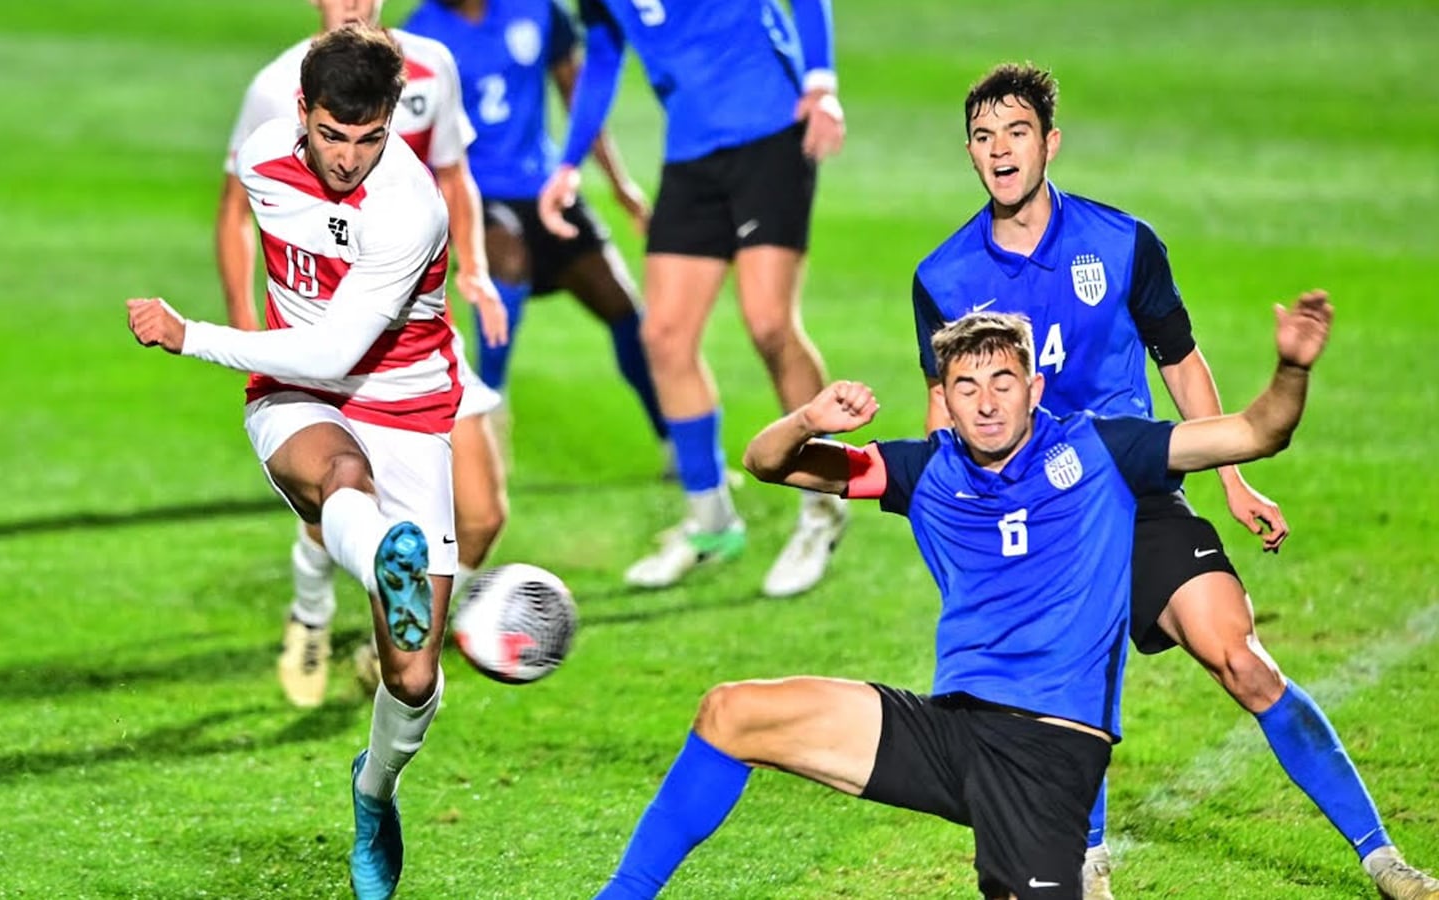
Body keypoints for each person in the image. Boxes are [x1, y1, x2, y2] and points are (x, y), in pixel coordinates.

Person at [595, 296, 1334, 899]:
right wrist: (809, 421)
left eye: (1002, 383)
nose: (985, 404)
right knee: (734, 712)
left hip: (1047, 755)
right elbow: (766, 463)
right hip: (947, 733)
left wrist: (1291, 368)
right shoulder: (925, 470)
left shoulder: (1104, 449)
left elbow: (1255, 431)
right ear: (943, 398)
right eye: (966, 388)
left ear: (1033, 387)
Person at [911, 63, 1438, 900]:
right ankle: (1084, 860)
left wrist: (1231, 481)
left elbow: (1180, 361)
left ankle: (1383, 859)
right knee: (1067, 685)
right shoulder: (942, 277)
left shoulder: (1121, 242)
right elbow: (946, 415)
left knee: (1243, 659)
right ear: (970, 154)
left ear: (1050, 143)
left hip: (1135, 488)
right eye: (983, 137)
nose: (1000, 151)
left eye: (1016, 133)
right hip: (1039, 517)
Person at [131, 25, 457, 899]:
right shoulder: (264, 155)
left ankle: (373, 788)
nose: (350, 158)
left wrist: (189, 334)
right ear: (303, 113)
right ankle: (380, 550)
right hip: (295, 397)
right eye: (333, 135)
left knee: (416, 673)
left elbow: (341, 346)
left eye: (370, 137)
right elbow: (301, 354)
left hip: (405, 404)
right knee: (339, 481)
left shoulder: (410, 204)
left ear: (389, 122)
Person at [216, 0, 509, 708]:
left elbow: (453, 174)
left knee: (482, 514)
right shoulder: (274, 86)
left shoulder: (428, 68)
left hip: (410, 333)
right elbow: (235, 216)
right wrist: (249, 333)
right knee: (337, 487)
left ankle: (395, 639)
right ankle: (311, 616)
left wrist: (473, 267)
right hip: (323, 338)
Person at [537, 0, 849, 597]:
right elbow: (603, 51)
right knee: (664, 337)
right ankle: (710, 518)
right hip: (691, 153)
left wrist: (821, 82)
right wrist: (570, 163)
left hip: (772, 130)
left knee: (769, 325)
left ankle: (823, 506)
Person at [401, 0, 670, 470]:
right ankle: (492, 403)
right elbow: (410, 132)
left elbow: (577, 94)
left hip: (542, 188)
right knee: (506, 258)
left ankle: (674, 442)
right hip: (474, 191)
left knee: (623, 307)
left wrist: (620, 183)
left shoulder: (540, 11)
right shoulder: (419, 35)